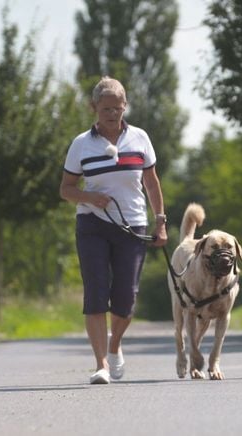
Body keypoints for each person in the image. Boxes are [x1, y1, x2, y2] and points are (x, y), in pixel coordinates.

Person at [60, 76, 168, 384]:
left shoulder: (140, 138)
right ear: (93, 107)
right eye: (105, 108)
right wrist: (89, 197)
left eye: (117, 108)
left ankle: (115, 343)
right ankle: (101, 364)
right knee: (95, 294)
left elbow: (151, 182)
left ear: (125, 106)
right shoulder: (81, 144)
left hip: (132, 225)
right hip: (92, 224)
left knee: (126, 299)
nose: (112, 114)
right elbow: (66, 189)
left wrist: (160, 220)